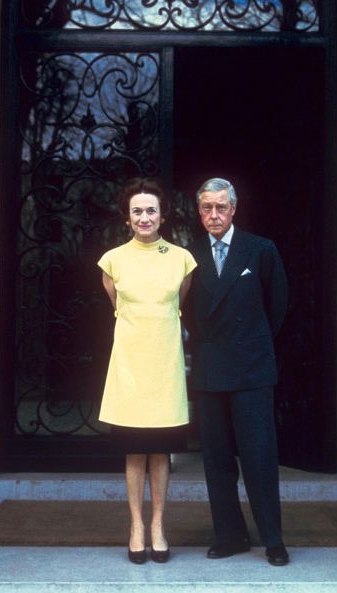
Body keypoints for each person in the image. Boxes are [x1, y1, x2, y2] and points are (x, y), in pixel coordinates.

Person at [185, 177, 289, 566]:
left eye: (221, 207)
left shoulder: (261, 250)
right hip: (211, 371)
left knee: (260, 456)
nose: (214, 214)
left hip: (251, 370)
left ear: (234, 209)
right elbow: (188, 314)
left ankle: (273, 539)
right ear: (199, 212)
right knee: (217, 458)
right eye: (207, 208)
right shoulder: (189, 255)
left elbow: (276, 309)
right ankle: (229, 536)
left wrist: (249, 347)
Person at [98, 177, 196, 565]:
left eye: (151, 210)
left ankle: (158, 525)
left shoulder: (182, 258)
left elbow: (179, 302)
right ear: (127, 217)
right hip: (130, 366)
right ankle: (136, 526)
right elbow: (115, 301)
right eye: (137, 210)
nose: (144, 217)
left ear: (162, 215)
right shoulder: (112, 260)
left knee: (161, 451)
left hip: (165, 365)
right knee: (134, 449)